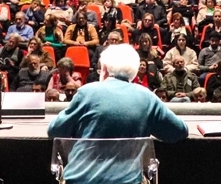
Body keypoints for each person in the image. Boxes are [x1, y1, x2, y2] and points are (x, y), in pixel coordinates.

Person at [48, 45, 189, 184]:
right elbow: (179, 131)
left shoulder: (86, 92)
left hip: (80, 180)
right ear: (133, 72)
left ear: (104, 69)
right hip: (127, 181)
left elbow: (55, 130)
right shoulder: (147, 97)